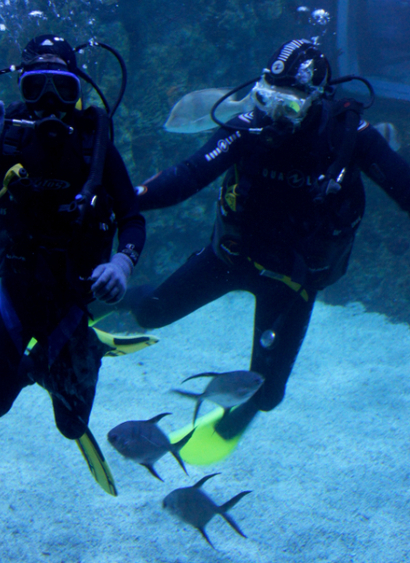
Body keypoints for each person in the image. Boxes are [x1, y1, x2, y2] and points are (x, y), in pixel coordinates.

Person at [116, 38, 410, 463]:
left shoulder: (347, 134)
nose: (274, 115)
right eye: (266, 100)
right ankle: (109, 300)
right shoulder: (248, 128)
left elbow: (404, 188)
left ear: (316, 97)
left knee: (267, 394)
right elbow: (187, 177)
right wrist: (121, 199)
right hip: (230, 258)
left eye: (287, 105)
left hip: (292, 281)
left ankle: (231, 419)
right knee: (149, 315)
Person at [0, 34, 146, 494]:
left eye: (61, 88)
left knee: (71, 426)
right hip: (16, 294)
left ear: (77, 88)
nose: (47, 101)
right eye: (35, 86)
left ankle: (75, 351)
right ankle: (39, 365)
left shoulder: (94, 144)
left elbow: (132, 219)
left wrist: (122, 264)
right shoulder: (6, 136)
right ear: (20, 88)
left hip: (70, 303)